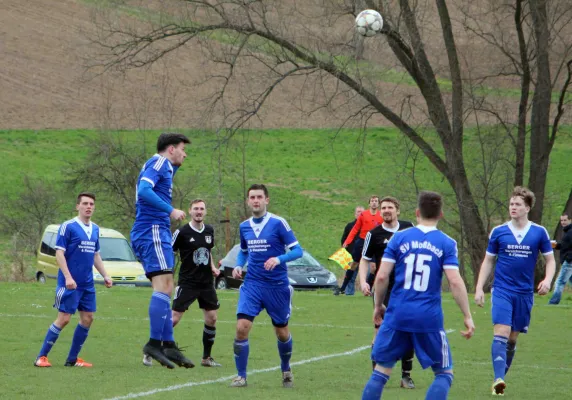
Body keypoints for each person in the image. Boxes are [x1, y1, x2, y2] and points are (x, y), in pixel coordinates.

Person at [362, 191, 475, 400]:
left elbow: (381, 277)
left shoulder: (399, 238)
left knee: (380, 372)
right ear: (440, 215)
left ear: (416, 213)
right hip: (428, 317)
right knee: (444, 373)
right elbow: (455, 281)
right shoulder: (447, 243)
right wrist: (467, 315)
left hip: (397, 313)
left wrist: (378, 306)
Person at [474, 186, 556, 396]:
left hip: (524, 293)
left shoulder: (539, 232)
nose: (513, 207)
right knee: (500, 332)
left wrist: (547, 280)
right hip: (501, 289)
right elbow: (488, 261)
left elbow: (550, 260)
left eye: (518, 204)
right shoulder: (499, 231)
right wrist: (479, 287)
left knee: (511, 339)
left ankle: (500, 378)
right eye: (511, 204)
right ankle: (498, 380)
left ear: (527, 208)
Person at [131, 132, 194, 369]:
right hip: (152, 228)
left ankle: (168, 344)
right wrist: (170, 210)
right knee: (163, 287)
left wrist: (175, 168)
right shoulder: (158, 162)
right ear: (170, 149)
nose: (184, 154)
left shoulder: (166, 167)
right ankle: (154, 344)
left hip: (157, 230)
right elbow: (145, 191)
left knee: (168, 286)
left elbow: (157, 185)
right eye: (182, 149)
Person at [230, 184, 303, 388]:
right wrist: (238, 264)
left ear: (266, 200)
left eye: (259, 197)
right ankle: (241, 376)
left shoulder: (278, 223)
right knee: (242, 327)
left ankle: (286, 368)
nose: (255, 200)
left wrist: (278, 259)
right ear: (248, 201)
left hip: (277, 285)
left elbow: (298, 251)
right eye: (252, 197)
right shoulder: (244, 226)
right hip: (252, 283)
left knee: (281, 331)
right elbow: (244, 250)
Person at [34, 192, 113, 368]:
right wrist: (68, 277)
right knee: (64, 319)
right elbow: (59, 253)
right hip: (69, 282)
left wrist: (105, 275)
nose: (89, 206)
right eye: (85, 203)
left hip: (87, 284)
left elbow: (95, 254)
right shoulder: (68, 226)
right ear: (78, 206)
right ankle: (41, 357)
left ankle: (72, 359)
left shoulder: (95, 229)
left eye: (92, 204)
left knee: (88, 318)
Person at [142, 199, 222, 368]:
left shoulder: (209, 230)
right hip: (188, 282)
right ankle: (152, 348)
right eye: (196, 209)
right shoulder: (182, 232)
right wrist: (164, 274)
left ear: (205, 212)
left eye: (202, 209)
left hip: (206, 283)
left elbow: (207, 252)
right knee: (174, 318)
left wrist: (213, 267)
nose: (199, 212)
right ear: (190, 211)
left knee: (212, 317)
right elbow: (167, 252)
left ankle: (206, 358)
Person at [358, 196, 415, 389]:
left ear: (397, 210)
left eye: (390, 207)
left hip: (407, 287)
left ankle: (406, 376)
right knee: (381, 328)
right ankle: (377, 375)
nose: (386, 210)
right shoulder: (373, 234)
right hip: (384, 287)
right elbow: (364, 259)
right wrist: (363, 282)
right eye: (383, 208)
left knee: (408, 329)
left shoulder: (409, 228)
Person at [336, 196, 383, 295]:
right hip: (362, 241)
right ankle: (343, 288)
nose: (374, 203)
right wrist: (347, 242)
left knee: (374, 267)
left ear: (378, 204)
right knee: (353, 264)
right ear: (369, 203)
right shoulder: (363, 215)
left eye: (376, 201)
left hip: (374, 243)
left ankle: (368, 290)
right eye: (372, 201)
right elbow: (355, 229)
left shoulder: (381, 216)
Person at [333, 205, 364, 295]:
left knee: (369, 274)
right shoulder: (350, 226)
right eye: (358, 212)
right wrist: (346, 251)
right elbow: (344, 240)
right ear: (355, 214)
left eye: (362, 212)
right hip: (352, 255)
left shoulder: (367, 227)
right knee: (351, 276)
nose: (360, 214)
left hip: (366, 256)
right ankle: (349, 293)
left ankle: (368, 292)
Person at [548, 212, 572, 304]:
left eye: (565, 220)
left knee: (559, 282)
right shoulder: (567, 232)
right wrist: (556, 245)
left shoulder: (570, 232)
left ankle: (553, 302)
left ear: (570, 220)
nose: (563, 222)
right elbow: (565, 245)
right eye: (561, 220)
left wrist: (568, 258)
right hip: (568, 260)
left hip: (569, 261)